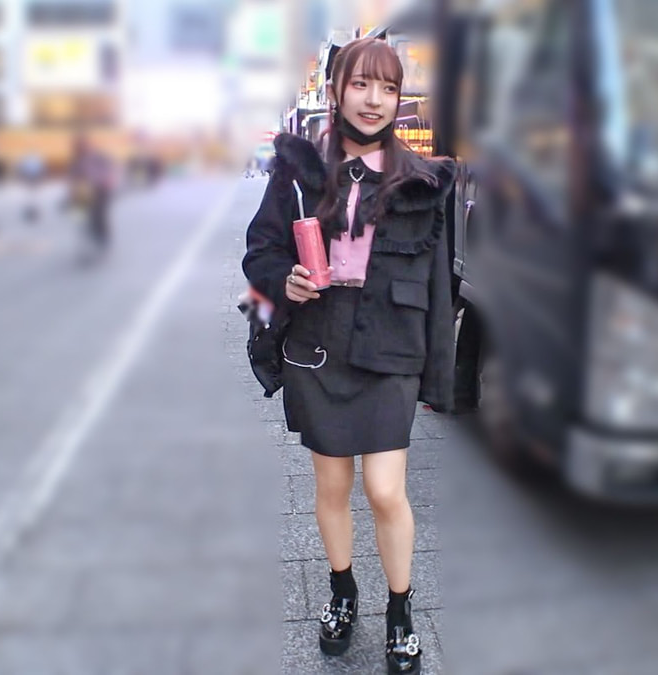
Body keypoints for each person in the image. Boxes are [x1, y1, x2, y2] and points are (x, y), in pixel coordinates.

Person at [243, 37, 454, 674]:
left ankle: (400, 610)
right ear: (336, 89)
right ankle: (342, 591)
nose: (374, 100)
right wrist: (284, 281)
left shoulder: (421, 183)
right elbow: (261, 249)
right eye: (361, 83)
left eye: (388, 87)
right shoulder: (301, 172)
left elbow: (438, 287)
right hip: (319, 341)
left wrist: (438, 376)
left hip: (391, 342)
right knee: (332, 485)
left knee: (386, 490)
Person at [68, 135, 113, 252]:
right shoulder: (76, 160)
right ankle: (86, 237)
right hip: (83, 190)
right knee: (80, 216)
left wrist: (108, 180)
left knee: (98, 215)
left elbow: (110, 169)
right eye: (79, 146)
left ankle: (102, 238)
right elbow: (72, 177)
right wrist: (72, 192)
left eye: (84, 145)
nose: (82, 148)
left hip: (100, 189)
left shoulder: (99, 157)